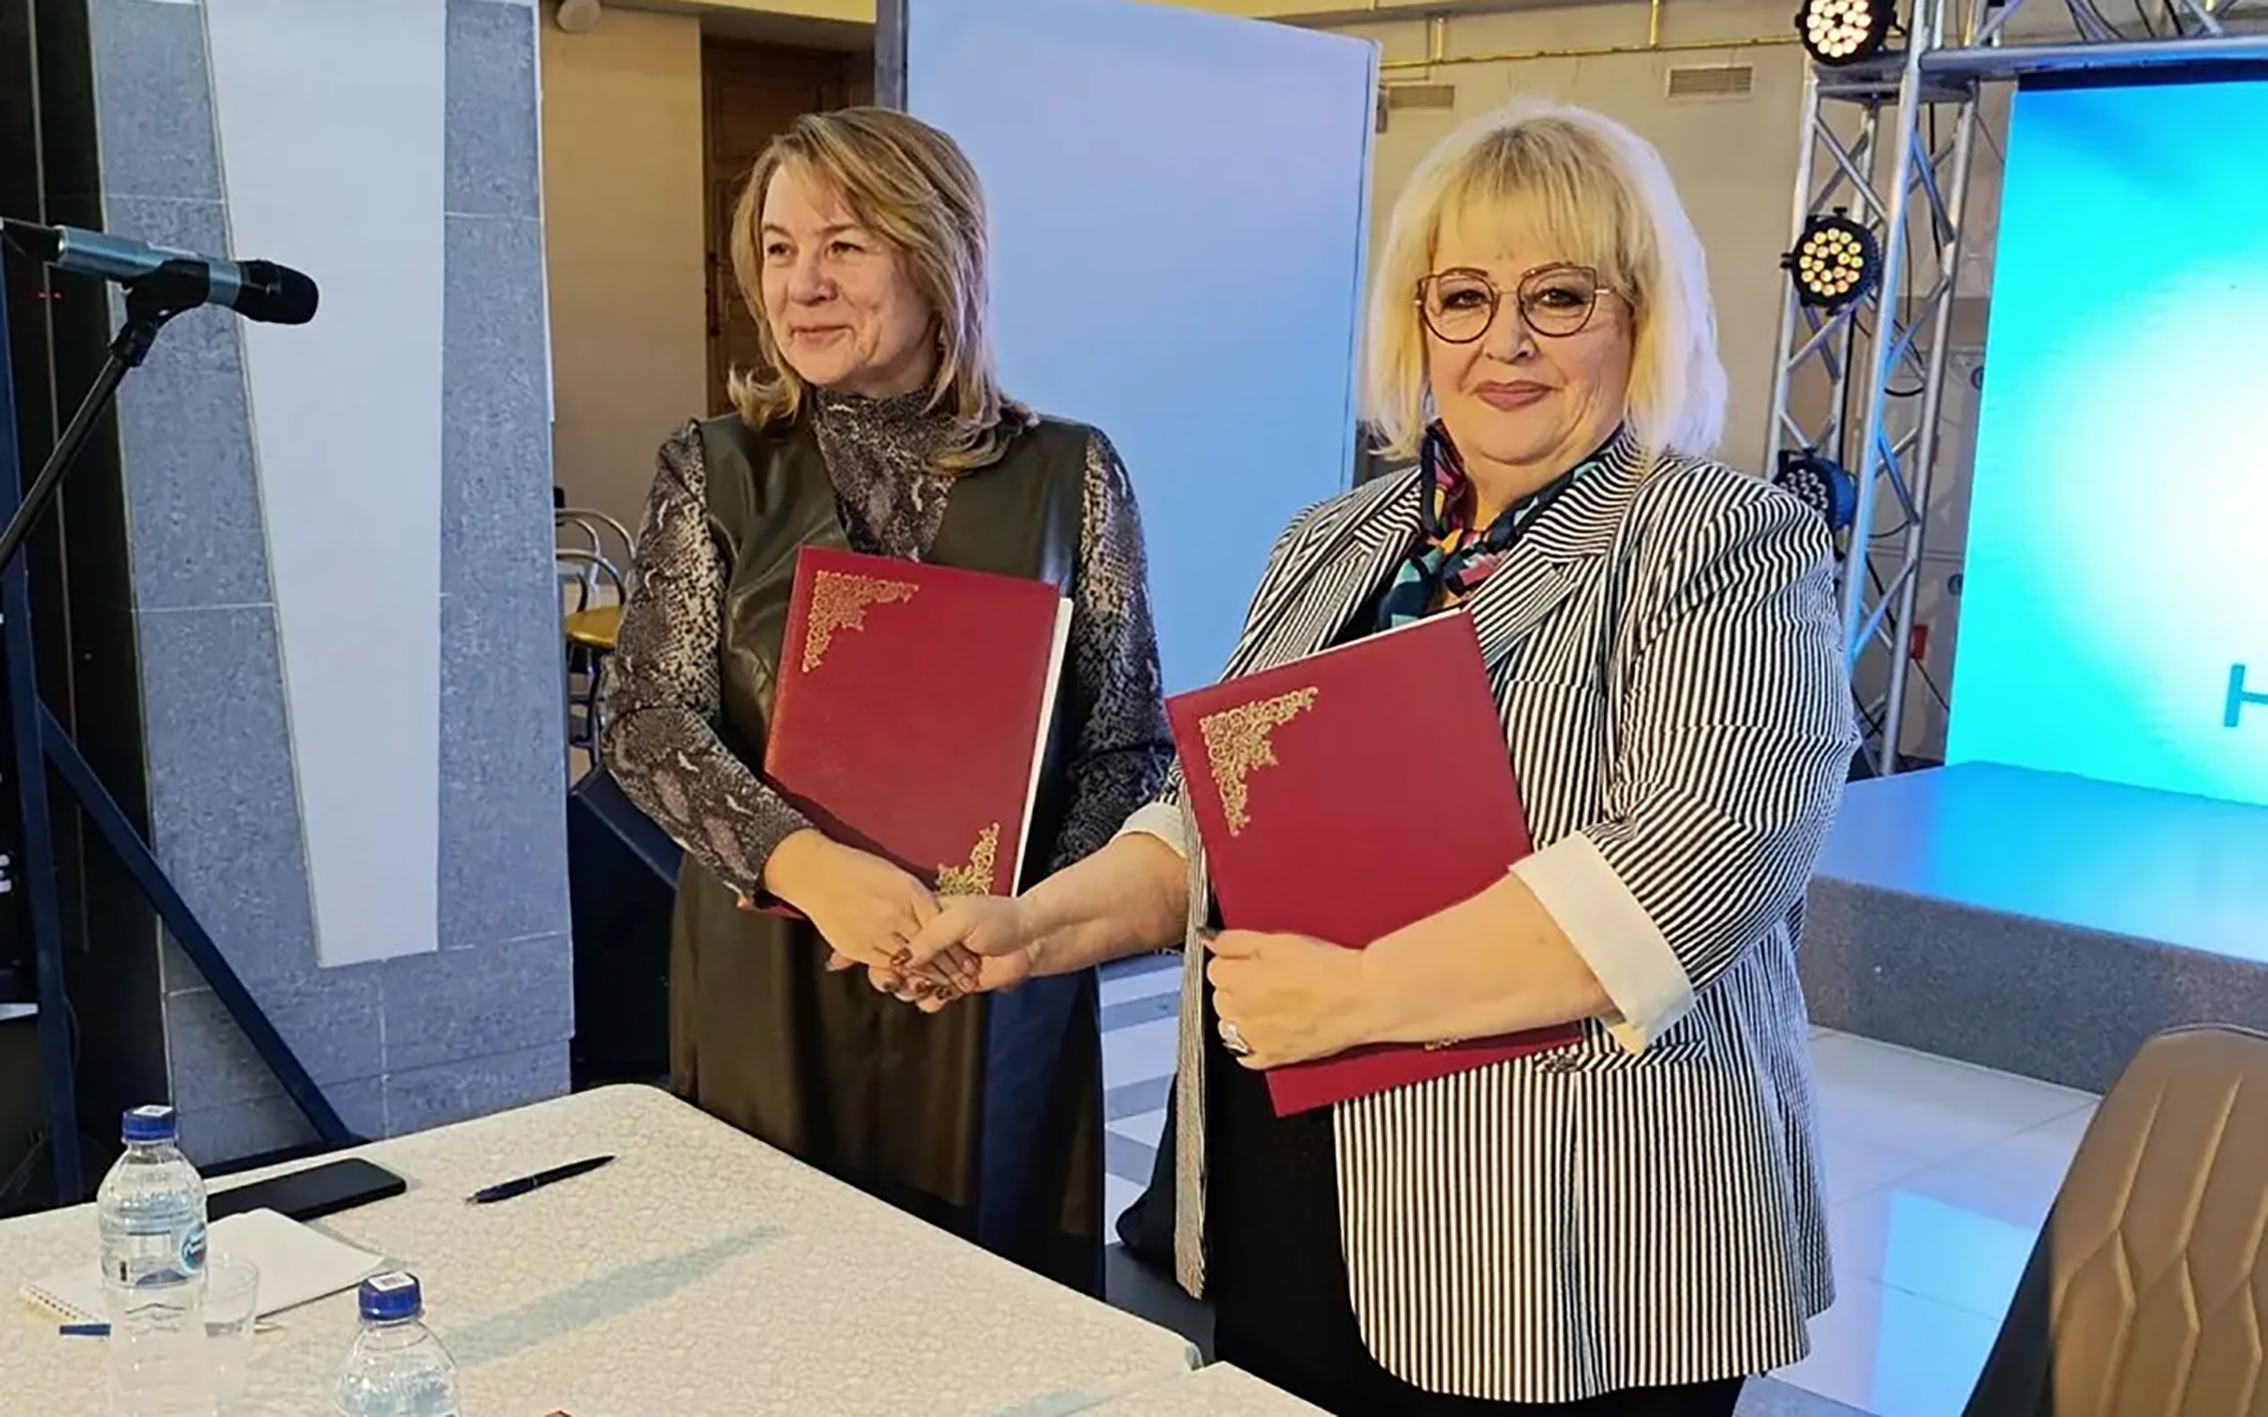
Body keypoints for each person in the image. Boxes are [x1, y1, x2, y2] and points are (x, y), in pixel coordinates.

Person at [904, 99, 1857, 1413]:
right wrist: (1036, 925)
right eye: (1463, 297)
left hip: (1565, 1236)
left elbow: (1690, 865)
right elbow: (1210, 810)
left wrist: (1355, 996)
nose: (1505, 341)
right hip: (1293, 1179)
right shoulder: (1332, 541)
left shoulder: (1719, 538)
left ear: (1641, 317)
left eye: (1560, 295)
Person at [600, 108, 1172, 1295]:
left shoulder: (1072, 472)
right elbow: (646, 721)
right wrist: (808, 866)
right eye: (777, 249)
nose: (802, 284)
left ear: (937, 255)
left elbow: (1123, 741)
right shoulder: (713, 467)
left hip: (997, 984)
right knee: (773, 1302)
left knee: (989, 1311)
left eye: (845, 245)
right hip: (773, 976)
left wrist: (1017, 921)